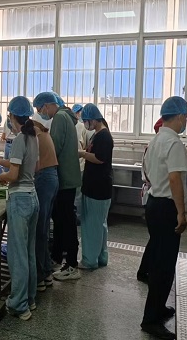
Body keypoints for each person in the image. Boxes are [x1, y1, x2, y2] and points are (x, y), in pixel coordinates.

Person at [140, 97, 187, 340]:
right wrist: (181, 212)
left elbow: (149, 173)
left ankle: (158, 308)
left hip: (153, 203)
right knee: (164, 265)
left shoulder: (157, 139)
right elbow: (174, 179)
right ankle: (151, 320)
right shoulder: (174, 143)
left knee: (159, 260)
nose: (185, 121)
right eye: (185, 116)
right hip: (166, 207)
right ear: (179, 116)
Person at [0, 96, 40, 320]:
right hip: (32, 197)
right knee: (28, 252)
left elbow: (13, 175)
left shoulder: (20, 139)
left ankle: (19, 305)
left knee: (17, 255)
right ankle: (29, 298)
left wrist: (0, 177)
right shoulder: (33, 137)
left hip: (19, 199)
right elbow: (32, 167)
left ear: (12, 116)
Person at [33, 92, 82, 281]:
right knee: (62, 220)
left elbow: (54, 147)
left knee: (66, 221)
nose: (40, 113)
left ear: (47, 105)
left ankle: (71, 264)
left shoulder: (60, 118)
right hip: (67, 178)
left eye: (40, 109)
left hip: (64, 179)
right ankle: (58, 257)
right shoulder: (66, 116)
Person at [77, 104, 114, 270]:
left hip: (97, 189)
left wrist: (82, 154)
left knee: (92, 226)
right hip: (96, 187)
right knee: (99, 225)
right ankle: (101, 257)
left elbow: (99, 158)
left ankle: (90, 260)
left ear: (94, 119)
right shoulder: (97, 135)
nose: (85, 124)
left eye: (86, 121)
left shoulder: (104, 136)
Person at [32, 120, 58, 292]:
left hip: (44, 179)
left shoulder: (33, 133)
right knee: (43, 229)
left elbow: (32, 164)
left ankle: (39, 277)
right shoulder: (43, 132)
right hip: (52, 178)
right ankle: (47, 272)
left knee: (38, 230)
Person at [137, 117, 164, 283]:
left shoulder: (155, 145)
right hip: (154, 194)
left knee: (155, 239)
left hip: (154, 194)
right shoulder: (155, 146)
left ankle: (146, 270)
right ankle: (145, 272)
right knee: (156, 238)